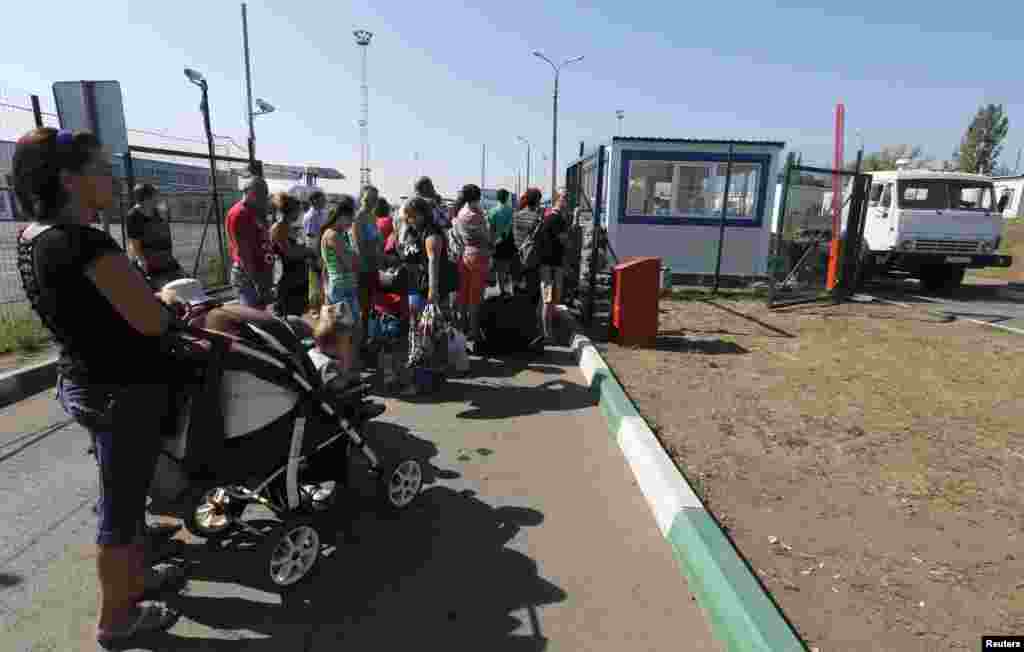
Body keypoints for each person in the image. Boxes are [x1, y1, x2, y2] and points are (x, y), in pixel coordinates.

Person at [13, 128, 185, 649]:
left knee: (126, 496)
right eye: (102, 169)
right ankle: (115, 620)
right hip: (121, 391)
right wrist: (169, 309)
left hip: (84, 379)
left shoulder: (34, 236)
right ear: (71, 180)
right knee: (122, 508)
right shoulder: (84, 242)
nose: (111, 178)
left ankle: (139, 580)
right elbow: (150, 320)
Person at [397, 197, 447, 395]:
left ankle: (421, 381)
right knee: (419, 334)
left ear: (420, 214)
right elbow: (405, 253)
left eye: (410, 216)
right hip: (414, 288)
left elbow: (433, 261)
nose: (407, 220)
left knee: (423, 336)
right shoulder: (412, 231)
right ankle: (427, 378)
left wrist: (432, 291)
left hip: (425, 290)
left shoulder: (431, 232)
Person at [319, 195, 362, 354]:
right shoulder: (333, 236)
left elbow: (326, 267)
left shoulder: (338, 235)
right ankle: (348, 369)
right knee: (347, 332)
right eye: (351, 218)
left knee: (348, 330)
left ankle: (348, 366)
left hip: (342, 286)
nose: (352, 223)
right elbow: (351, 263)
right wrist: (355, 249)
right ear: (342, 216)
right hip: (341, 288)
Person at [452, 184, 493, 342]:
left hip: (465, 255)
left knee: (464, 295)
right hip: (478, 256)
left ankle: (462, 328)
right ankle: (474, 331)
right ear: (477, 197)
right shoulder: (475, 214)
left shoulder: (461, 212)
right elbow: (486, 236)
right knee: (475, 297)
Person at [125, 183, 185, 291]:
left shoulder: (158, 212)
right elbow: (134, 243)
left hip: (167, 260)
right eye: (156, 195)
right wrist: (141, 261)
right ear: (147, 198)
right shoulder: (134, 216)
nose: (159, 198)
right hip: (151, 264)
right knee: (165, 293)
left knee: (183, 285)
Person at [226, 177, 275, 309]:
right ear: (248, 192)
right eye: (260, 193)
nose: (264, 197)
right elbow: (244, 254)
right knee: (253, 319)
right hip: (248, 278)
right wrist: (257, 283)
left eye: (265, 193)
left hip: (260, 276)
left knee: (262, 316)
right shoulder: (239, 214)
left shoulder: (255, 211)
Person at [269, 192, 318, 317]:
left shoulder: (290, 227)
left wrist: (306, 251)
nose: (299, 214)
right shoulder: (279, 228)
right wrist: (308, 251)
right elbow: (289, 253)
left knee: (296, 316)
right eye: (298, 211)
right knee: (285, 317)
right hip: (286, 281)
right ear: (291, 211)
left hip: (297, 279)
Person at [537, 192, 571, 346]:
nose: (566, 202)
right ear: (558, 200)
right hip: (552, 267)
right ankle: (547, 334)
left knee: (547, 299)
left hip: (546, 266)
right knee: (549, 300)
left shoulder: (547, 217)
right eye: (564, 199)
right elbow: (565, 241)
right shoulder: (557, 219)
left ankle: (545, 331)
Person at [488, 188, 515, 296]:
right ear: (507, 197)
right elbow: (513, 227)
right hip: (508, 241)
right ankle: (504, 288)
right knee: (505, 266)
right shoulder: (511, 211)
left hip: (496, 241)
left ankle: (500, 287)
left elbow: (491, 228)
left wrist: (491, 242)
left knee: (497, 264)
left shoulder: (492, 211)